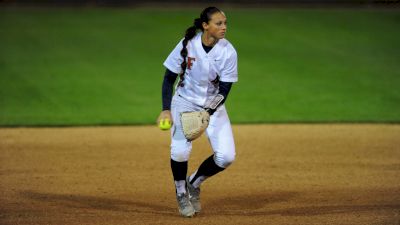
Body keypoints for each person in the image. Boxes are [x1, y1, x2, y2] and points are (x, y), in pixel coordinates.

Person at [157, 6, 238, 218]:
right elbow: (168, 79)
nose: (224, 27)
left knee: (226, 157)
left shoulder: (228, 51)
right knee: (180, 151)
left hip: (213, 106)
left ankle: (194, 182)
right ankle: (182, 193)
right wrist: (166, 110)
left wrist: (208, 111)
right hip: (184, 103)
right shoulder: (187, 45)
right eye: (219, 23)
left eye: (225, 23)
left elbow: (225, 89)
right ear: (205, 26)